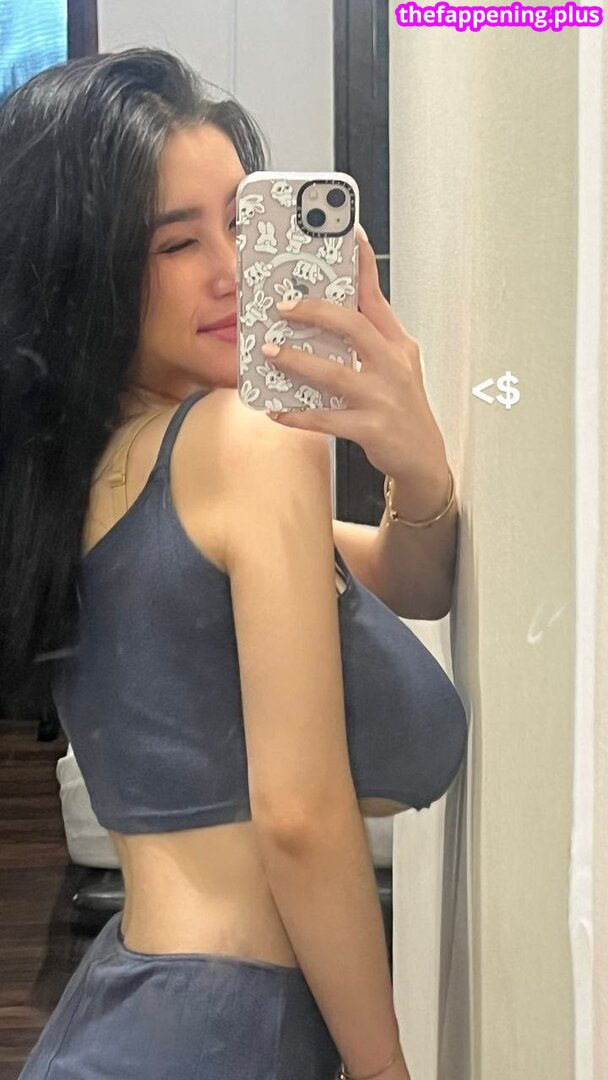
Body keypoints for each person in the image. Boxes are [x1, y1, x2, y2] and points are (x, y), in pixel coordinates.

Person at [0, 47, 464, 1080]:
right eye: (176, 243)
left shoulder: (96, 475)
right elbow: (300, 819)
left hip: (144, 1004)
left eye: (243, 224)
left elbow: (411, 579)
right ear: (85, 270)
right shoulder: (244, 444)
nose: (231, 271)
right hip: (221, 1032)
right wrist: (384, 1069)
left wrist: (415, 465)